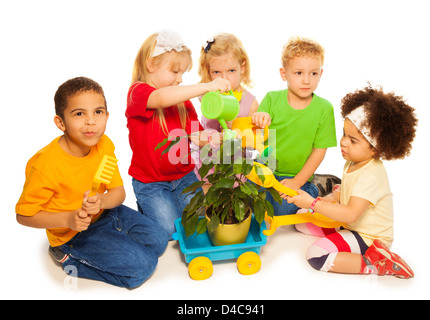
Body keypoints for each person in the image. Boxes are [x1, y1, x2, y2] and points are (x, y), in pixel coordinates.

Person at [15, 77, 169, 288]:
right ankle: (66, 257)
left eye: (98, 112)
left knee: (160, 240)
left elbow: (118, 192)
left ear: (107, 115)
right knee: (143, 267)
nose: (91, 121)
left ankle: (114, 238)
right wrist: (68, 220)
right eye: (79, 114)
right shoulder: (45, 166)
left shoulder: (104, 145)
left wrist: (102, 202)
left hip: (105, 213)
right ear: (61, 122)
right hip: (72, 233)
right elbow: (24, 216)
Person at [283, 85, 417, 278]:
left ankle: (376, 263)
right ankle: (339, 234)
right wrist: (334, 196)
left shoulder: (371, 175)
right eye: (345, 134)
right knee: (302, 220)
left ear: (375, 150)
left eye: (353, 141)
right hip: (351, 224)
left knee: (316, 255)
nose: (344, 142)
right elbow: (348, 189)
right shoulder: (355, 161)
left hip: (369, 237)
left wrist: (313, 202)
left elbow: (352, 214)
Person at [126, 30, 231, 238]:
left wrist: (211, 139)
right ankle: (144, 209)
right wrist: (206, 86)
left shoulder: (183, 103)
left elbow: (196, 136)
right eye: (175, 72)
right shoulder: (138, 93)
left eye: (182, 73)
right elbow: (162, 98)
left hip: (184, 176)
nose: (180, 79)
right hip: (151, 183)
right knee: (170, 231)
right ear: (151, 65)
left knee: (197, 223)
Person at [252, 36, 337, 215]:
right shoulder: (271, 99)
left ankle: (316, 187)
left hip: (296, 175)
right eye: (299, 73)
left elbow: (319, 151)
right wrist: (259, 117)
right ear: (284, 74)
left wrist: (297, 182)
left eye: (313, 73)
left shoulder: (324, 108)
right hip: (267, 170)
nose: (306, 80)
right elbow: (255, 136)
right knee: (252, 203)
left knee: (282, 209)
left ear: (321, 74)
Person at [192, 33, 259, 188]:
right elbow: (199, 133)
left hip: (234, 169)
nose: (224, 79)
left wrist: (231, 122)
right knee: (206, 205)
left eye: (231, 71)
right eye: (216, 72)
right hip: (207, 165)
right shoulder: (207, 96)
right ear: (208, 71)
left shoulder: (251, 103)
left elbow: (251, 145)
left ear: (242, 67)